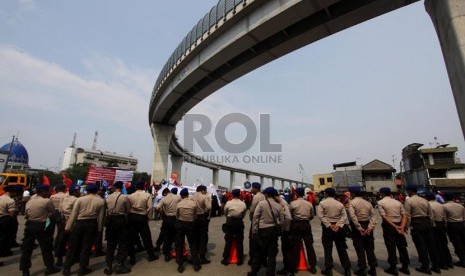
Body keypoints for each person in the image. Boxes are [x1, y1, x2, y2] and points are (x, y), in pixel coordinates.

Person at [62, 183, 105, 276]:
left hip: (79, 223)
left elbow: (74, 214)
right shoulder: (101, 201)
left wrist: (68, 227)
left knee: (72, 246)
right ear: (96, 190)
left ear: (87, 190)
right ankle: (83, 268)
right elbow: (101, 217)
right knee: (86, 247)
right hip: (92, 224)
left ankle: (67, 268)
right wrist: (100, 229)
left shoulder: (80, 200)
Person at [20, 184, 60, 276]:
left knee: (27, 249)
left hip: (30, 225)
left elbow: (26, 215)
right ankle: (50, 267)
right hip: (42, 226)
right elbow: (53, 214)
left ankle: (25, 270)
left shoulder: (30, 201)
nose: (48, 193)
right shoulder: (46, 201)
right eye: (47, 191)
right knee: (46, 248)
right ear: (43, 192)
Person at [248, 187, 284, 276]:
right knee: (272, 255)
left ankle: (254, 272)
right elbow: (282, 220)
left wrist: (254, 231)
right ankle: (270, 273)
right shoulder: (278, 205)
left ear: (267, 195)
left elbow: (255, 218)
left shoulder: (261, 204)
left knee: (259, 252)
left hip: (262, 230)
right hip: (273, 231)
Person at [404, 185, 439, 274]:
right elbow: (430, 214)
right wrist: (432, 224)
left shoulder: (409, 201)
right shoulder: (425, 200)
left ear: (410, 191)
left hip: (417, 224)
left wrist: (406, 226)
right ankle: (436, 266)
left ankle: (425, 266)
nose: (407, 192)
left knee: (421, 246)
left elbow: (408, 216)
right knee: (431, 245)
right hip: (427, 223)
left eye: (408, 191)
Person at [317, 188, 351, 276]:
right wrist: (338, 225)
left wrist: (328, 225)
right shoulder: (339, 204)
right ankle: (347, 269)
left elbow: (320, 216)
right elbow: (344, 217)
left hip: (327, 228)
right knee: (342, 248)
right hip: (338, 228)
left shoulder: (322, 203)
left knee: (328, 248)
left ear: (326, 194)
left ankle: (328, 269)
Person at [377, 187, 409, 276]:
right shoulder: (398, 202)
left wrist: (394, 226)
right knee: (402, 246)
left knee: (391, 246)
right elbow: (404, 215)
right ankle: (405, 266)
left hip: (389, 226)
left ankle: (393, 267)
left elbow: (384, 216)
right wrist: (401, 227)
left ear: (382, 193)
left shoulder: (381, 202)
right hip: (399, 224)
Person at [348, 186, 377, 276]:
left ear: (352, 194)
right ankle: (373, 268)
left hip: (358, 227)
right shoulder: (367, 203)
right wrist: (370, 227)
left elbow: (353, 217)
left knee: (360, 248)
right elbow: (373, 216)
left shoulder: (352, 203)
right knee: (370, 248)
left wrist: (359, 228)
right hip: (368, 225)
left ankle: (362, 268)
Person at [103, 181, 131, 275]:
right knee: (122, 243)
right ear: (122, 187)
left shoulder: (108, 197)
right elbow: (128, 210)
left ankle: (108, 266)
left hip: (110, 221)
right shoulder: (124, 197)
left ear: (114, 187)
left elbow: (105, 210)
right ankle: (119, 264)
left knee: (110, 244)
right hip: (121, 220)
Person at [288, 187, 317, 275]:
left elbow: (290, 216)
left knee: (295, 246)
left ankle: (294, 267)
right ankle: (313, 266)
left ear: (296, 194)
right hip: (306, 224)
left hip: (296, 224)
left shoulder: (293, 203)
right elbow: (312, 215)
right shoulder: (309, 204)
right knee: (309, 245)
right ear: (304, 193)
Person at [127, 181, 157, 265]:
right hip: (142, 217)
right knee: (146, 237)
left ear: (136, 187)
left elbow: (127, 207)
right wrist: (148, 217)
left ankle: (132, 258)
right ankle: (151, 255)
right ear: (144, 187)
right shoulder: (147, 195)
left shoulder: (130, 196)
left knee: (131, 238)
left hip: (132, 217)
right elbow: (150, 207)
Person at [175, 188, 201, 273]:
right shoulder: (193, 204)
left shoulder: (179, 204)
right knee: (192, 245)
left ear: (181, 196)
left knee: (179, 245)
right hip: (190, 225)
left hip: (181, 224)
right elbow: (195, 216)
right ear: (187, 195)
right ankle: (196, 264)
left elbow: (177, 216)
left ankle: (180, 265)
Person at [425, 191, 453, 269]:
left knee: (435, 245)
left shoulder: (428, 205)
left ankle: (440, 263)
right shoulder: (441, 205)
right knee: (444, 244)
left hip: (433, 226)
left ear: (427, 198)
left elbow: (430, 217)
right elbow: (445, 217)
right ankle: (449, 262)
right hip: (441, 225)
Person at [55, 184, 80, 268]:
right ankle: (70, 260)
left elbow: (60, 210)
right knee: (72, 243)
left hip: (63, 222)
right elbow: (76, 213)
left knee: (62, 241)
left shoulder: (64, 198)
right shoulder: (77, 200)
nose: (79, 192)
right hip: (72, 223)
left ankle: (59, 260)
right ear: (76, 192)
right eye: (78, 191)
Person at [221, 189, 247, 266]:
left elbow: (225, 212)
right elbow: (243, 214)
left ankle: (226, 259)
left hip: (230, 222)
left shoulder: (229, 203)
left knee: (228, 241)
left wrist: (229, 218)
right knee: (239, 241)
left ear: (232, 195)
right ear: (239, 195)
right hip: (239, 222)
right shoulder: (243, 204)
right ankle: (240, 259)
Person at [156, 187, 181, 262]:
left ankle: (166, 255)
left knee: (166, 236)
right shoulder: (178, 197)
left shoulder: (164, 199)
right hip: (176, 219)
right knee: (177, 236)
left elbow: (157, 208)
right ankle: (178, 254)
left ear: (165, 193)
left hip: (167, 219)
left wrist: (162, 212)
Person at [443, 192, 465, 267]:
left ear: (445, 198)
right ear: (453, 198)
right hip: (461, 225)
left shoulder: (444, 206)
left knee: (457, 243)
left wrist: (445, 228)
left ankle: (462, 260)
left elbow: (445, 219)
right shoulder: (460, 206)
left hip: (452, 225)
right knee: (463, 242)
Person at [193, 185, 212, 264]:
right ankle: (202, 256)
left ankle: (195, 254)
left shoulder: (192, 196)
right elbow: (209, 207)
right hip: (202, 218)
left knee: (195, 236)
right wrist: (205, 212)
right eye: (205, 190)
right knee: (203, 237)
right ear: (203, 190)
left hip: (194, 218)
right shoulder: (204, 197)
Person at [0, 185, 19, 261]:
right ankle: (3, 252)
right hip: (5, 220)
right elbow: (12, 214)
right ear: (12, 192)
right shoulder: (10, 201)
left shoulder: (0, 197)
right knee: (5, 237)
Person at [248, 182, 265, 266]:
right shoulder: (263, 196)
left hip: (256, 220)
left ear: (256, 188)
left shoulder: (256, 197)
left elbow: (252, 210)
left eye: (252, 188)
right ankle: (263, 259)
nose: (251, 189)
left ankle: (252, 259)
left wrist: (251, 218)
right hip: (263, 221)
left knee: (253, 240)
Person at [50, 185, 66, 257]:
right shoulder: (65, 196)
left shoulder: (52, 196)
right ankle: (58, 246)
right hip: (60, 214)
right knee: (60, 231)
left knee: (51, 230)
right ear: (64, 189)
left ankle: (52, 246)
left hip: (52, 214)